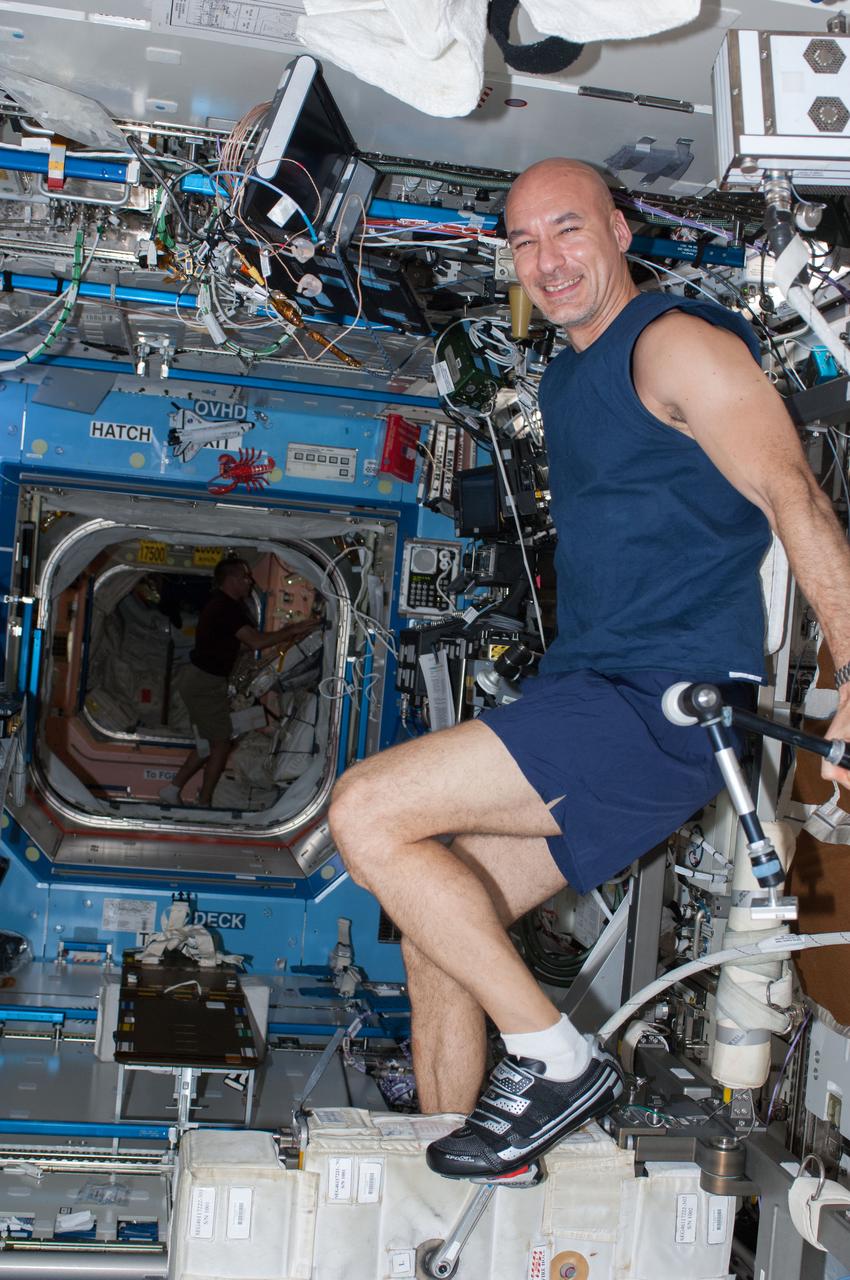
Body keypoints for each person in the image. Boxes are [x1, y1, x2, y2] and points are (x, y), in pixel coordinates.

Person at [328, 158, 850, 1180]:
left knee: (367, 812)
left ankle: (557, 1061)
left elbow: (796, 497)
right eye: (524, 242)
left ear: (617, 229)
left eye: (566, 230)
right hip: (594, 690)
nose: (546, 260)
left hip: (662, 704)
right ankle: (469, 1169)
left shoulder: (673, 347)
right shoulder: (569, 369)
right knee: (438, 930)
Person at [160, 556, 318, 808]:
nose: (250, 582)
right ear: (232, 580)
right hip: (204, 683)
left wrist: (281, 643)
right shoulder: (226, 608)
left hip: (202, 680)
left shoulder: (223, 606)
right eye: (245, 577)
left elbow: (241, 646)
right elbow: (255, 641)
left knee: (206, 743)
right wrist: (292, 630)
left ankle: (172, 789)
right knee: (221, 744)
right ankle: (204, 802)